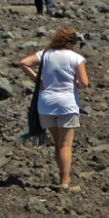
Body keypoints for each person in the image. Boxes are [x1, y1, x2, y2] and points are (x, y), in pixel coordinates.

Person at [18, 29, 89, 191]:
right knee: (65, 145)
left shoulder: (45, 54)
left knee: (58, 143)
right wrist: (76, 84)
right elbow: (84, 83)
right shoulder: (76, 58)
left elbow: (23, 62)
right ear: (71, 43)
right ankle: (65, 181)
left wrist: (38, 80)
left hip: (46, 104)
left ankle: (63, 176)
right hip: (67, 104)